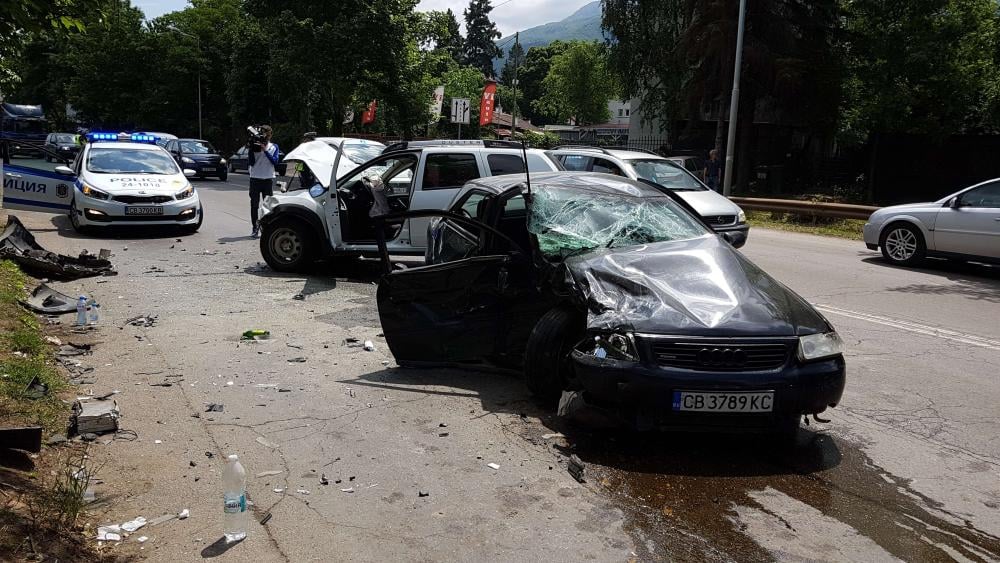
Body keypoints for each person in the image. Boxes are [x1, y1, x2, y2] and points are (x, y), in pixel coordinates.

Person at [248, 125, 280, 237]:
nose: (264, 135)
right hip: (255, 178)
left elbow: (275, 162)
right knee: (254, 205)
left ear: (270, 135)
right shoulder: (254, 146)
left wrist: (265, 150)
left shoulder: (274, 147)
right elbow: (251, 162)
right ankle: (255, 227)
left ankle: (266, 228)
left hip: (268, 179)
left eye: (266, 133)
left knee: (268, 206)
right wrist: (251, 149)